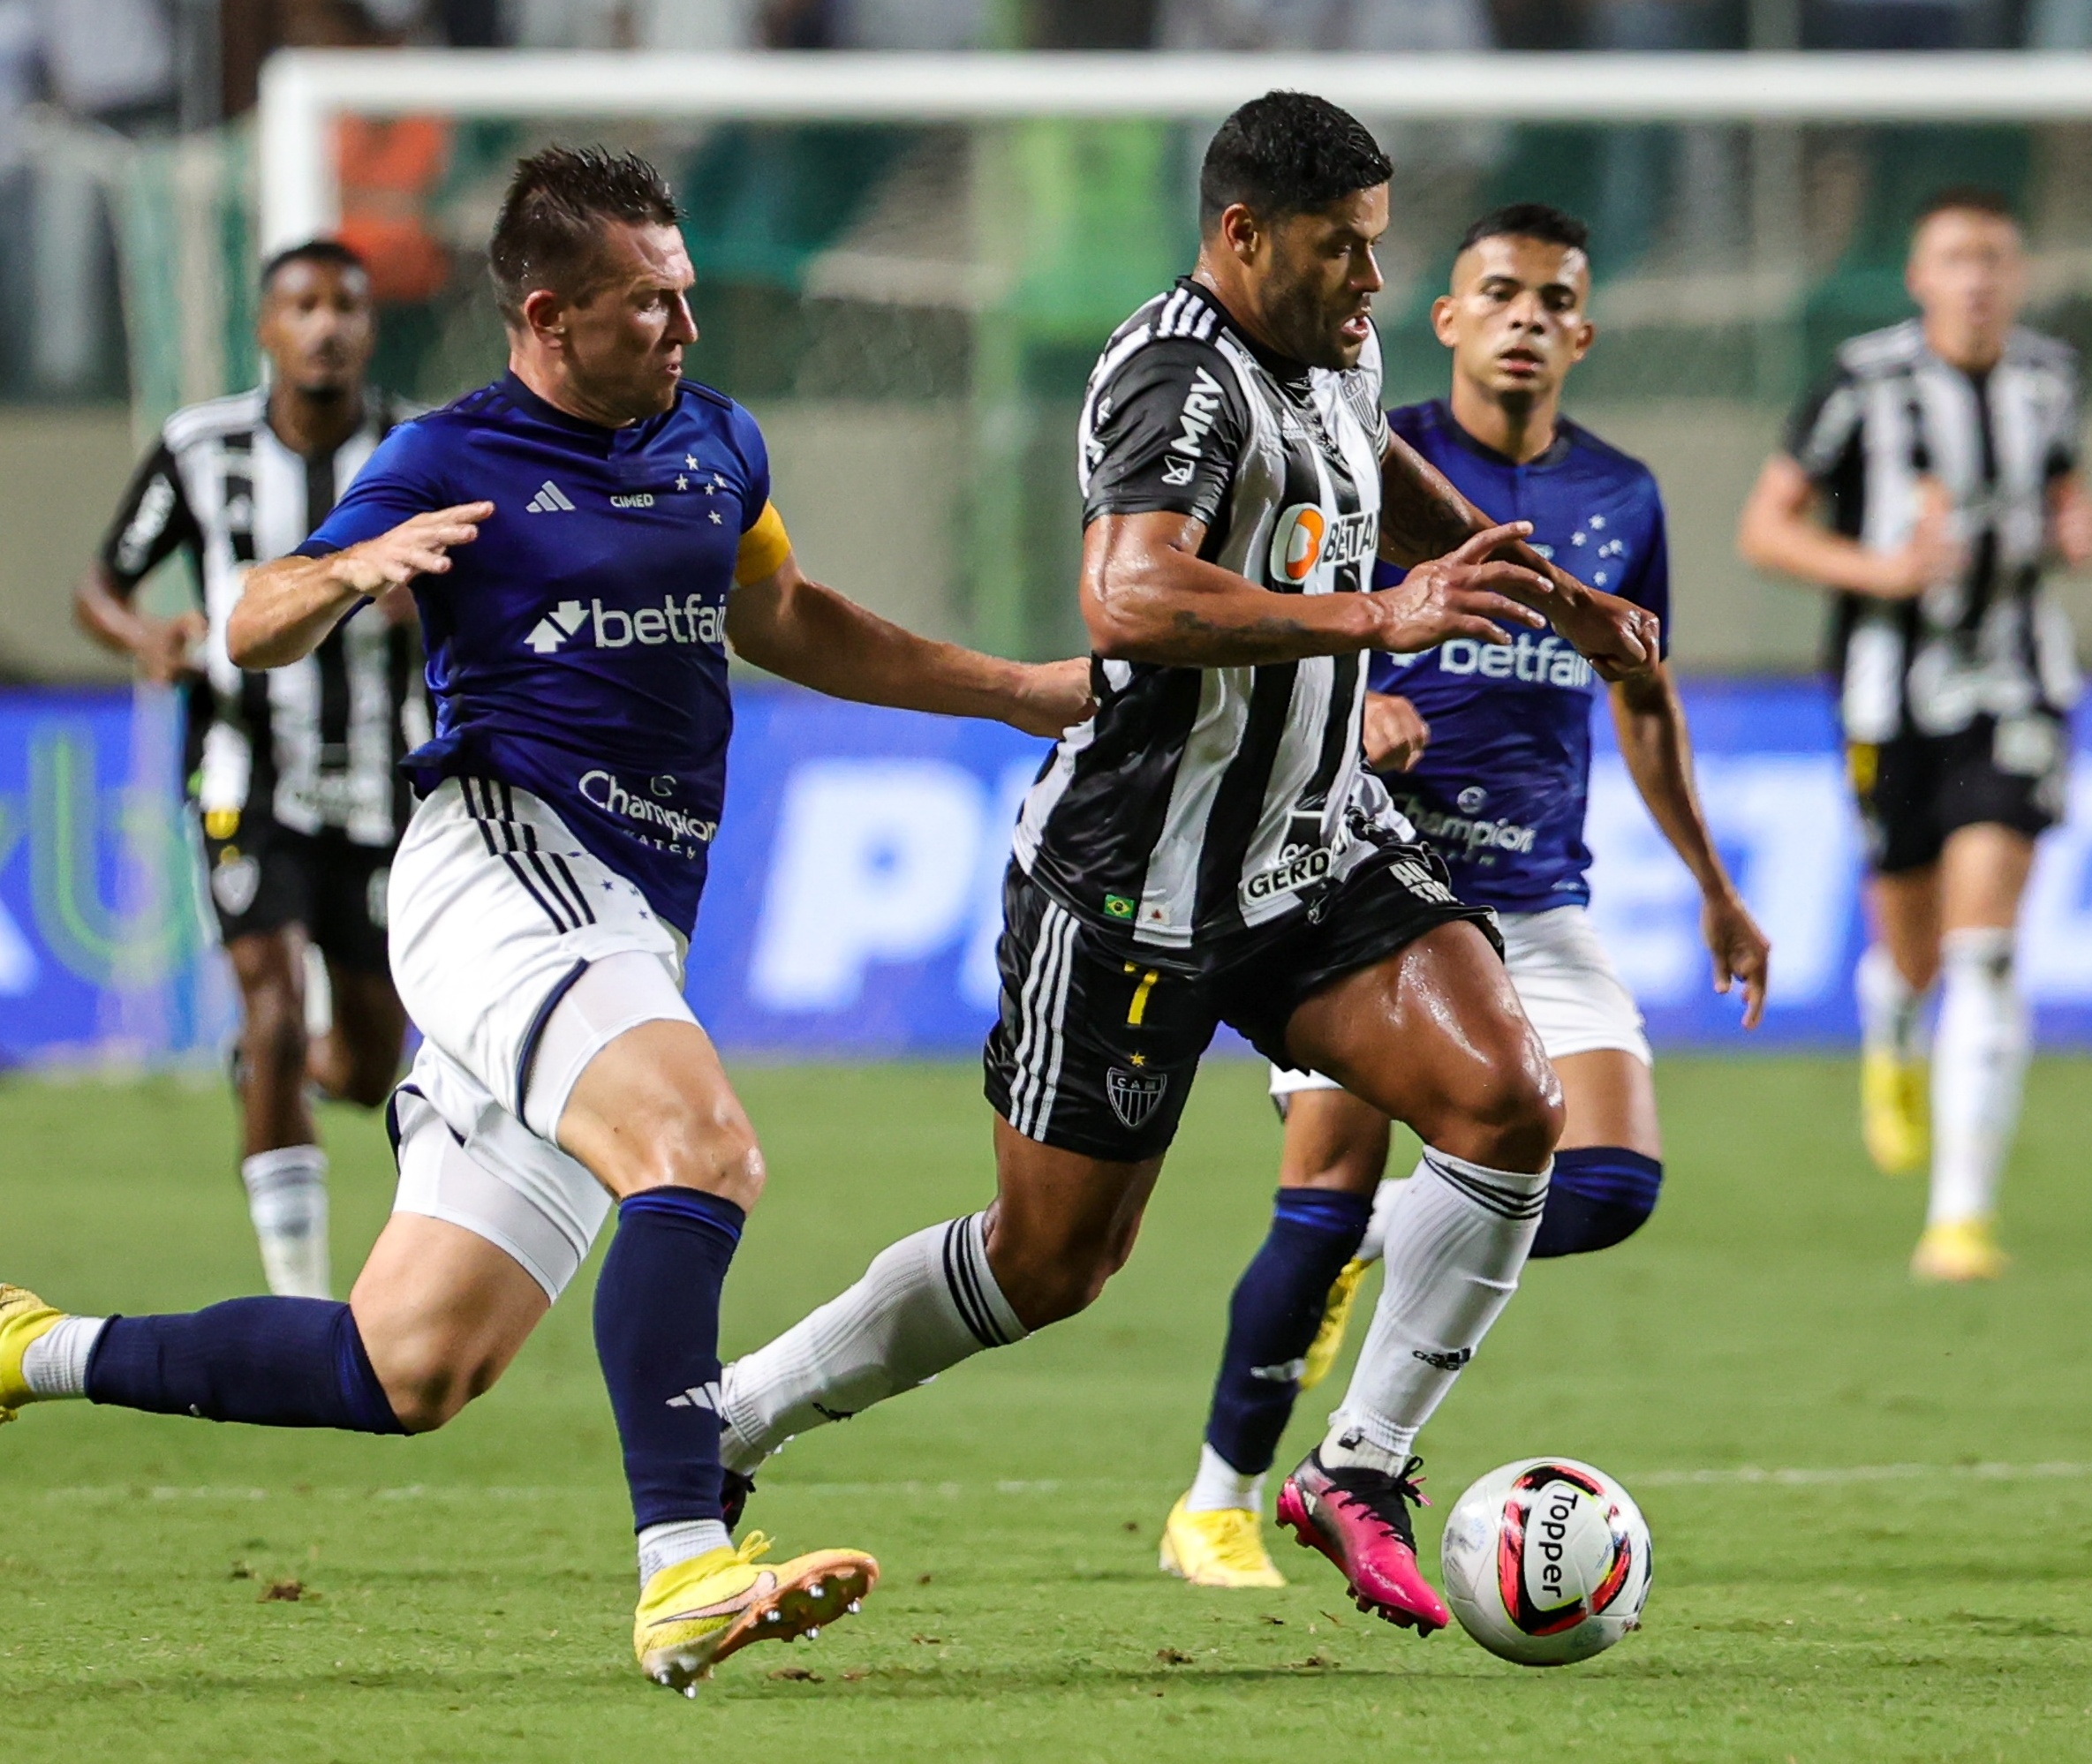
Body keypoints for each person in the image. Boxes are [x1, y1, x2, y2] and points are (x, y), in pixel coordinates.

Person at [3, 145, 1091, 1694]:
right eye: (649, 304)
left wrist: (1010, 691)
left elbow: (778, 611)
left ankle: (30, 1346)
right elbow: (251, 617)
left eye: (687, 295)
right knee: (700, 1149)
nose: (685, 330)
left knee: (408, 1365)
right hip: (495, 871)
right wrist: (346, 568)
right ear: (545, 315)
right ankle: (681, 1568)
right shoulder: (451, 452)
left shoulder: (716, 439)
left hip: (623, 921)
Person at [710, 93, 1662, 1638]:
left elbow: (1371, 472)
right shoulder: (1176, 380)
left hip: (1309, 851)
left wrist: (1525, 583)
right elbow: (1127, 595)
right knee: (1046, 1263)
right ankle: (731, 1420)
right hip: (1130, 887)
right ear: (1240, 235)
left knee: (1506, 1099)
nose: (1370, 282)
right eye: (1341, 251)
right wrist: (1376, 620)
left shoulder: (1334, 348)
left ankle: (1357, 1464)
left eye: (1375, 245)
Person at [1159, 201, 1770, 1591]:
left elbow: (1642, 688)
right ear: (1447, 319)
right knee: (1320, 1185)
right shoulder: (1381, 459)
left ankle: (1378, 1248)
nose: (1526, 319)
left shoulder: (1624, 496)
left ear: (1584, 334)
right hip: (1365, 886)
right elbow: (1262, 615)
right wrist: (1356, 699)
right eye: (1499, 292)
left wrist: (1715, 886)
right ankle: (1216, 1503)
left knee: (1609, 1182)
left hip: (1539, 900)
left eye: (1555, 300)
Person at [1737, 185, 2092, 1282]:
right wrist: (1880, 569)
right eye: (1957, 258)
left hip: (2020, 684)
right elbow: (1768, 527)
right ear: (1918, 275)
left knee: (1985, 944)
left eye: (1996, 258)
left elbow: (2067, 503)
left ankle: (1960, 1217)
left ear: (2020, 274)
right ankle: (1893, 1022)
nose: (1979, 279)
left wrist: (2077, 532)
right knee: (1911, 941)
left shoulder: (2051, 379)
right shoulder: (1864, 383)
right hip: (1886, 692)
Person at [76, 238, 417, 1301]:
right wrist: (142, 637)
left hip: (378, 779)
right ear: (266, 328)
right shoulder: (198, 448)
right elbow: (102, 581)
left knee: (367, 1066)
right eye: (302, 306)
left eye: (345, 307)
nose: (324, 326)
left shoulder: (422, 450)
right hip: (240, 771)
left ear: (368, 328)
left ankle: (289, 1071)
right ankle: (302, 1305)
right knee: (269, 1010)